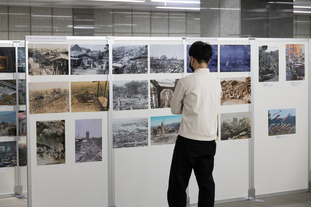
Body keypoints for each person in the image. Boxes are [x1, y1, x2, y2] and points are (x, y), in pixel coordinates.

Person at [167, 41, 221, 207]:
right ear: (209, 60)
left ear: (192, 59)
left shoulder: (186, 81)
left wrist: (186, 105)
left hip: (188, 140)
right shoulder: (216, 82)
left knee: (178, 185)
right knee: (206, 184)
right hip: (209, 140)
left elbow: (175, 109)